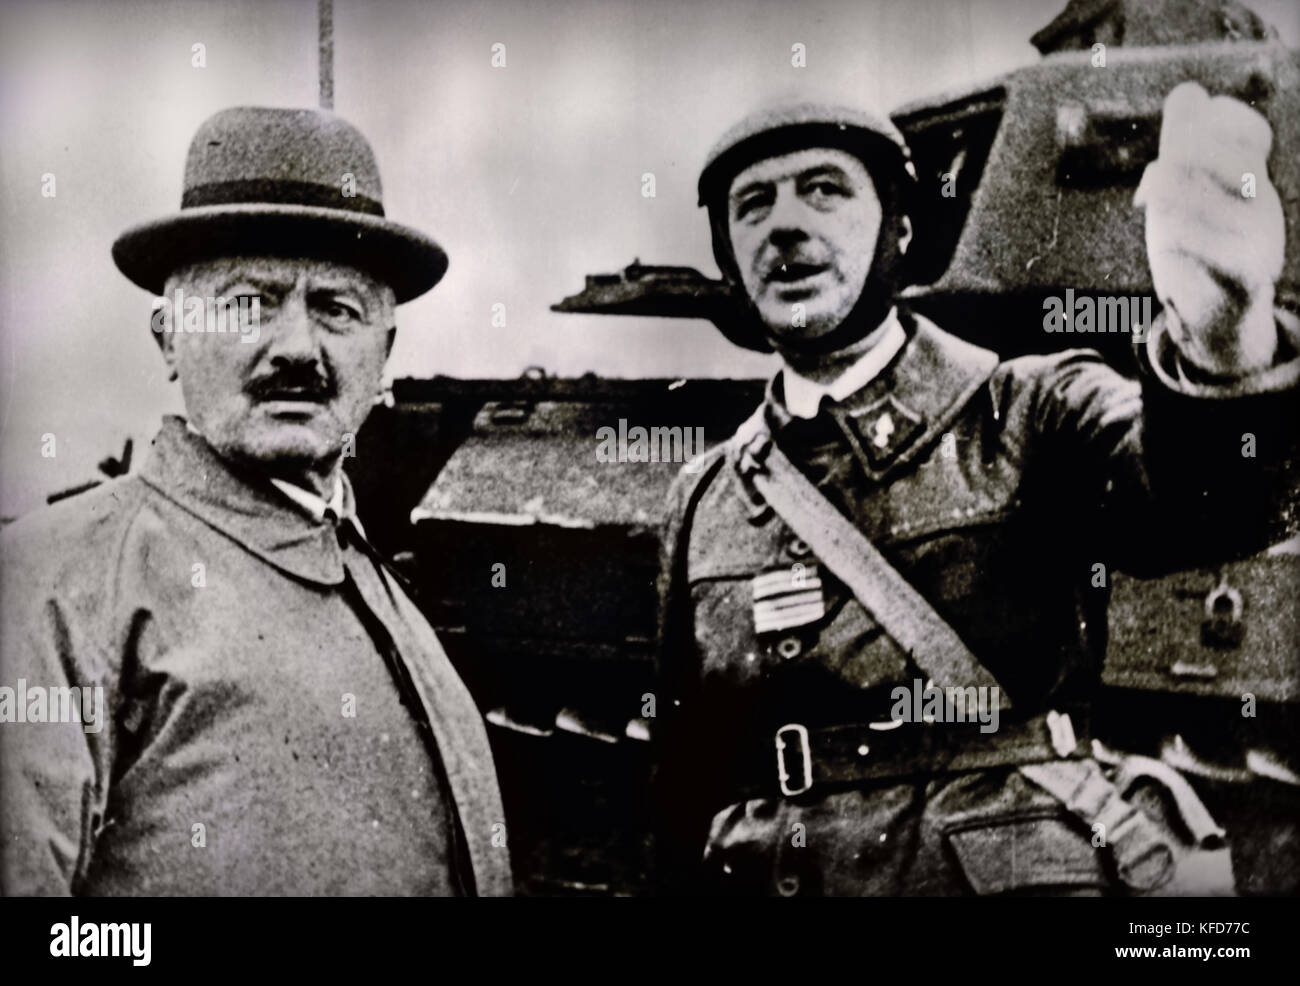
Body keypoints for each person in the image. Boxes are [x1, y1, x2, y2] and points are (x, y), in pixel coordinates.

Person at [653, 90, 1299, 895]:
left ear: (902, 230)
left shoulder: (1032, 408)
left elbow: (1210, 507)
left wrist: (1224, 337)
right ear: (730, 260)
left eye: (825, 189)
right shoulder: (705, 495)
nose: (784, 223)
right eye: (754, 204)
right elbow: (683, 780)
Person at [0, 106, 512, 896]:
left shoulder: (377, 588)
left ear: (385, 353)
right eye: (249, 304)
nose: (298, 349)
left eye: (337, 309)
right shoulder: (52, 584)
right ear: (168, 338)